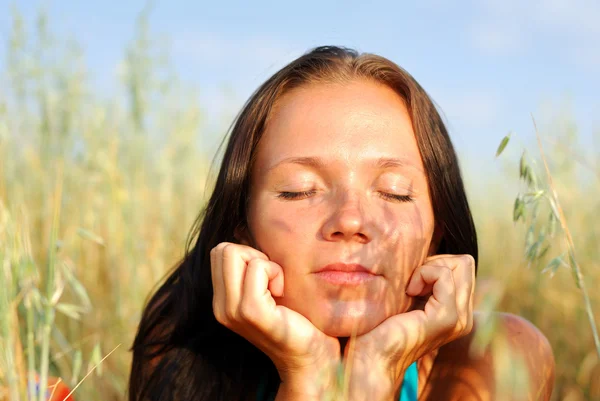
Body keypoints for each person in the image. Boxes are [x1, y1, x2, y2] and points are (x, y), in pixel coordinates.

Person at [128, 46, 555, 401]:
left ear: (439, 228)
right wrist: (306, 374)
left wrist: (375, 374)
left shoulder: (496, 359)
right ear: (242, 226)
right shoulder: (182, 350)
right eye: (300, 189)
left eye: (394, 191)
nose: (350, 221)